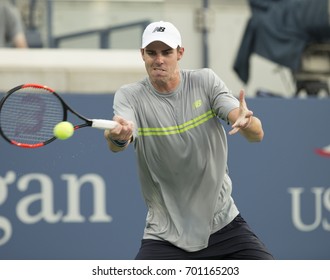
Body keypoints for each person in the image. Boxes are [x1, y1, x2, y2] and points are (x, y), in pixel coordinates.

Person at [104, 21, 274, 260]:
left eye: (166, 52)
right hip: (164, 234)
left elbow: (255, 133)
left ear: (180, 53)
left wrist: (247, 123)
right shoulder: (130, 96)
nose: (159, 59)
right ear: (142, 55)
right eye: (151, 53)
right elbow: (118, 139)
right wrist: (118, 136)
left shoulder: (205, 81)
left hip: (223, 225)